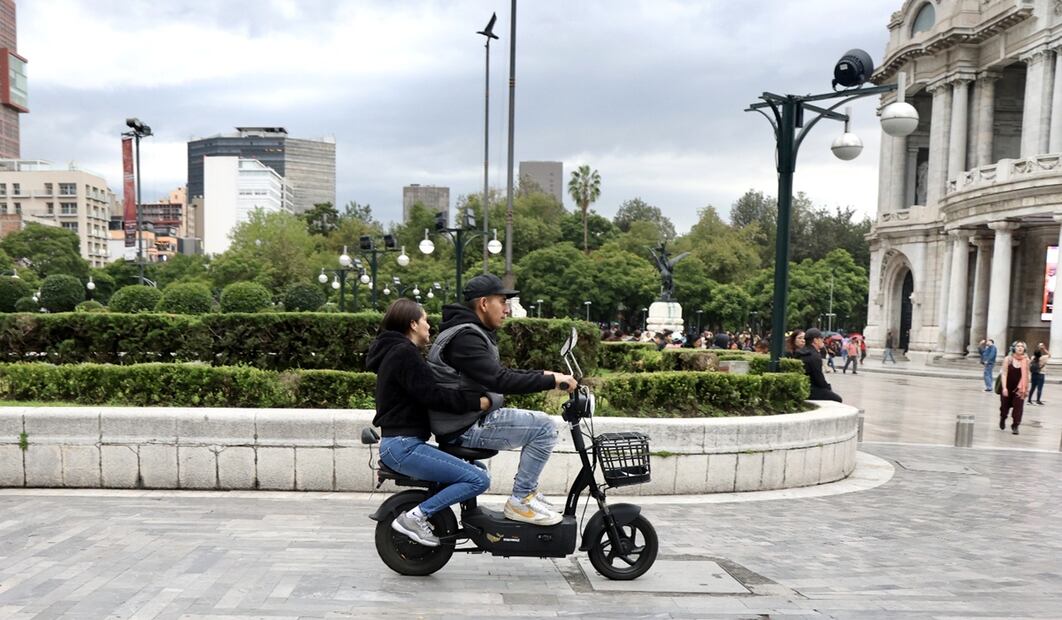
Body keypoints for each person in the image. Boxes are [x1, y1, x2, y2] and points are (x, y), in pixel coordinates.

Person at [428, 273, 577, 526]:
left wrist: (547, 375)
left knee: (539, 423)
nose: (507, 310)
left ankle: (526, 495)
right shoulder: (466, 338)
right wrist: (551, 381)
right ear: (484, 304)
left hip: (462, 420)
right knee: (544, 426)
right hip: (464, 425)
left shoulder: (467, 331)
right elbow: (500, 380)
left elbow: (499, 375)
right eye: (502, 302)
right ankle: (521, 500)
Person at [365, 298, 496, 547]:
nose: (429, 326)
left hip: (400, 443)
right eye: (425, 320)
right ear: (413, 324)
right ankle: (417, 516)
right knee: (479, 479)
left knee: (478, 468)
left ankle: (441, 516)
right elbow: (433, 396)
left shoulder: (396, 352)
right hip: (404, 446)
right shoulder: (404, 353)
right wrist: (477, 403)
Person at [795, 328, 842, 402]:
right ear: (815, 340)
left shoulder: (801, 352)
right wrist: (828, 387)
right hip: (810, 389)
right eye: (821, 338)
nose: (823, 340)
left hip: (801, 386)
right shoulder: (814, 356)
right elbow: (819, 379)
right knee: (837, 399)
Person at [999, 340, 1030, 434]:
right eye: (1018, 346)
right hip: (1008, 386)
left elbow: (1028, 374)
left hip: (1020, 388)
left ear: (1024, 348)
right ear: (1014, 348)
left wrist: (1026, 388)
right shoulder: (1008, 359)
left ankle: (1015, 425)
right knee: (1004, 407)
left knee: (1018, 407)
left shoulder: (1027, 360)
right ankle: (1003, 418)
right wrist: (1004, 388)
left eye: (1022, 346)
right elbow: (1004, 374)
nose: (1020, 348)